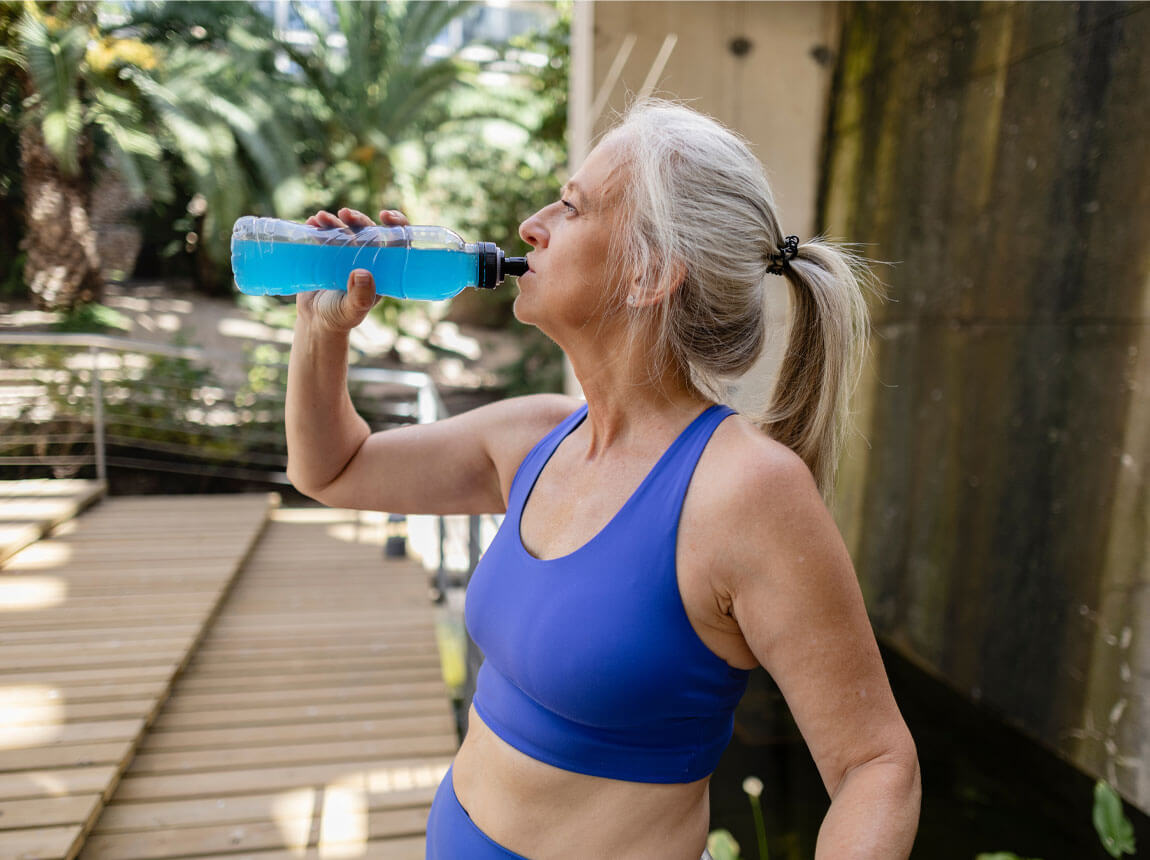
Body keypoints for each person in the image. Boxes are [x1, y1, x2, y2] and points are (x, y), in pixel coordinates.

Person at [286, 98, 921, 860]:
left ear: (649, 272)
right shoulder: (533, 438)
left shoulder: (746, 492)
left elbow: (875, 766)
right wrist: (321, 331)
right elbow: (333, 468)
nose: (531, 225)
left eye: (571, 207)